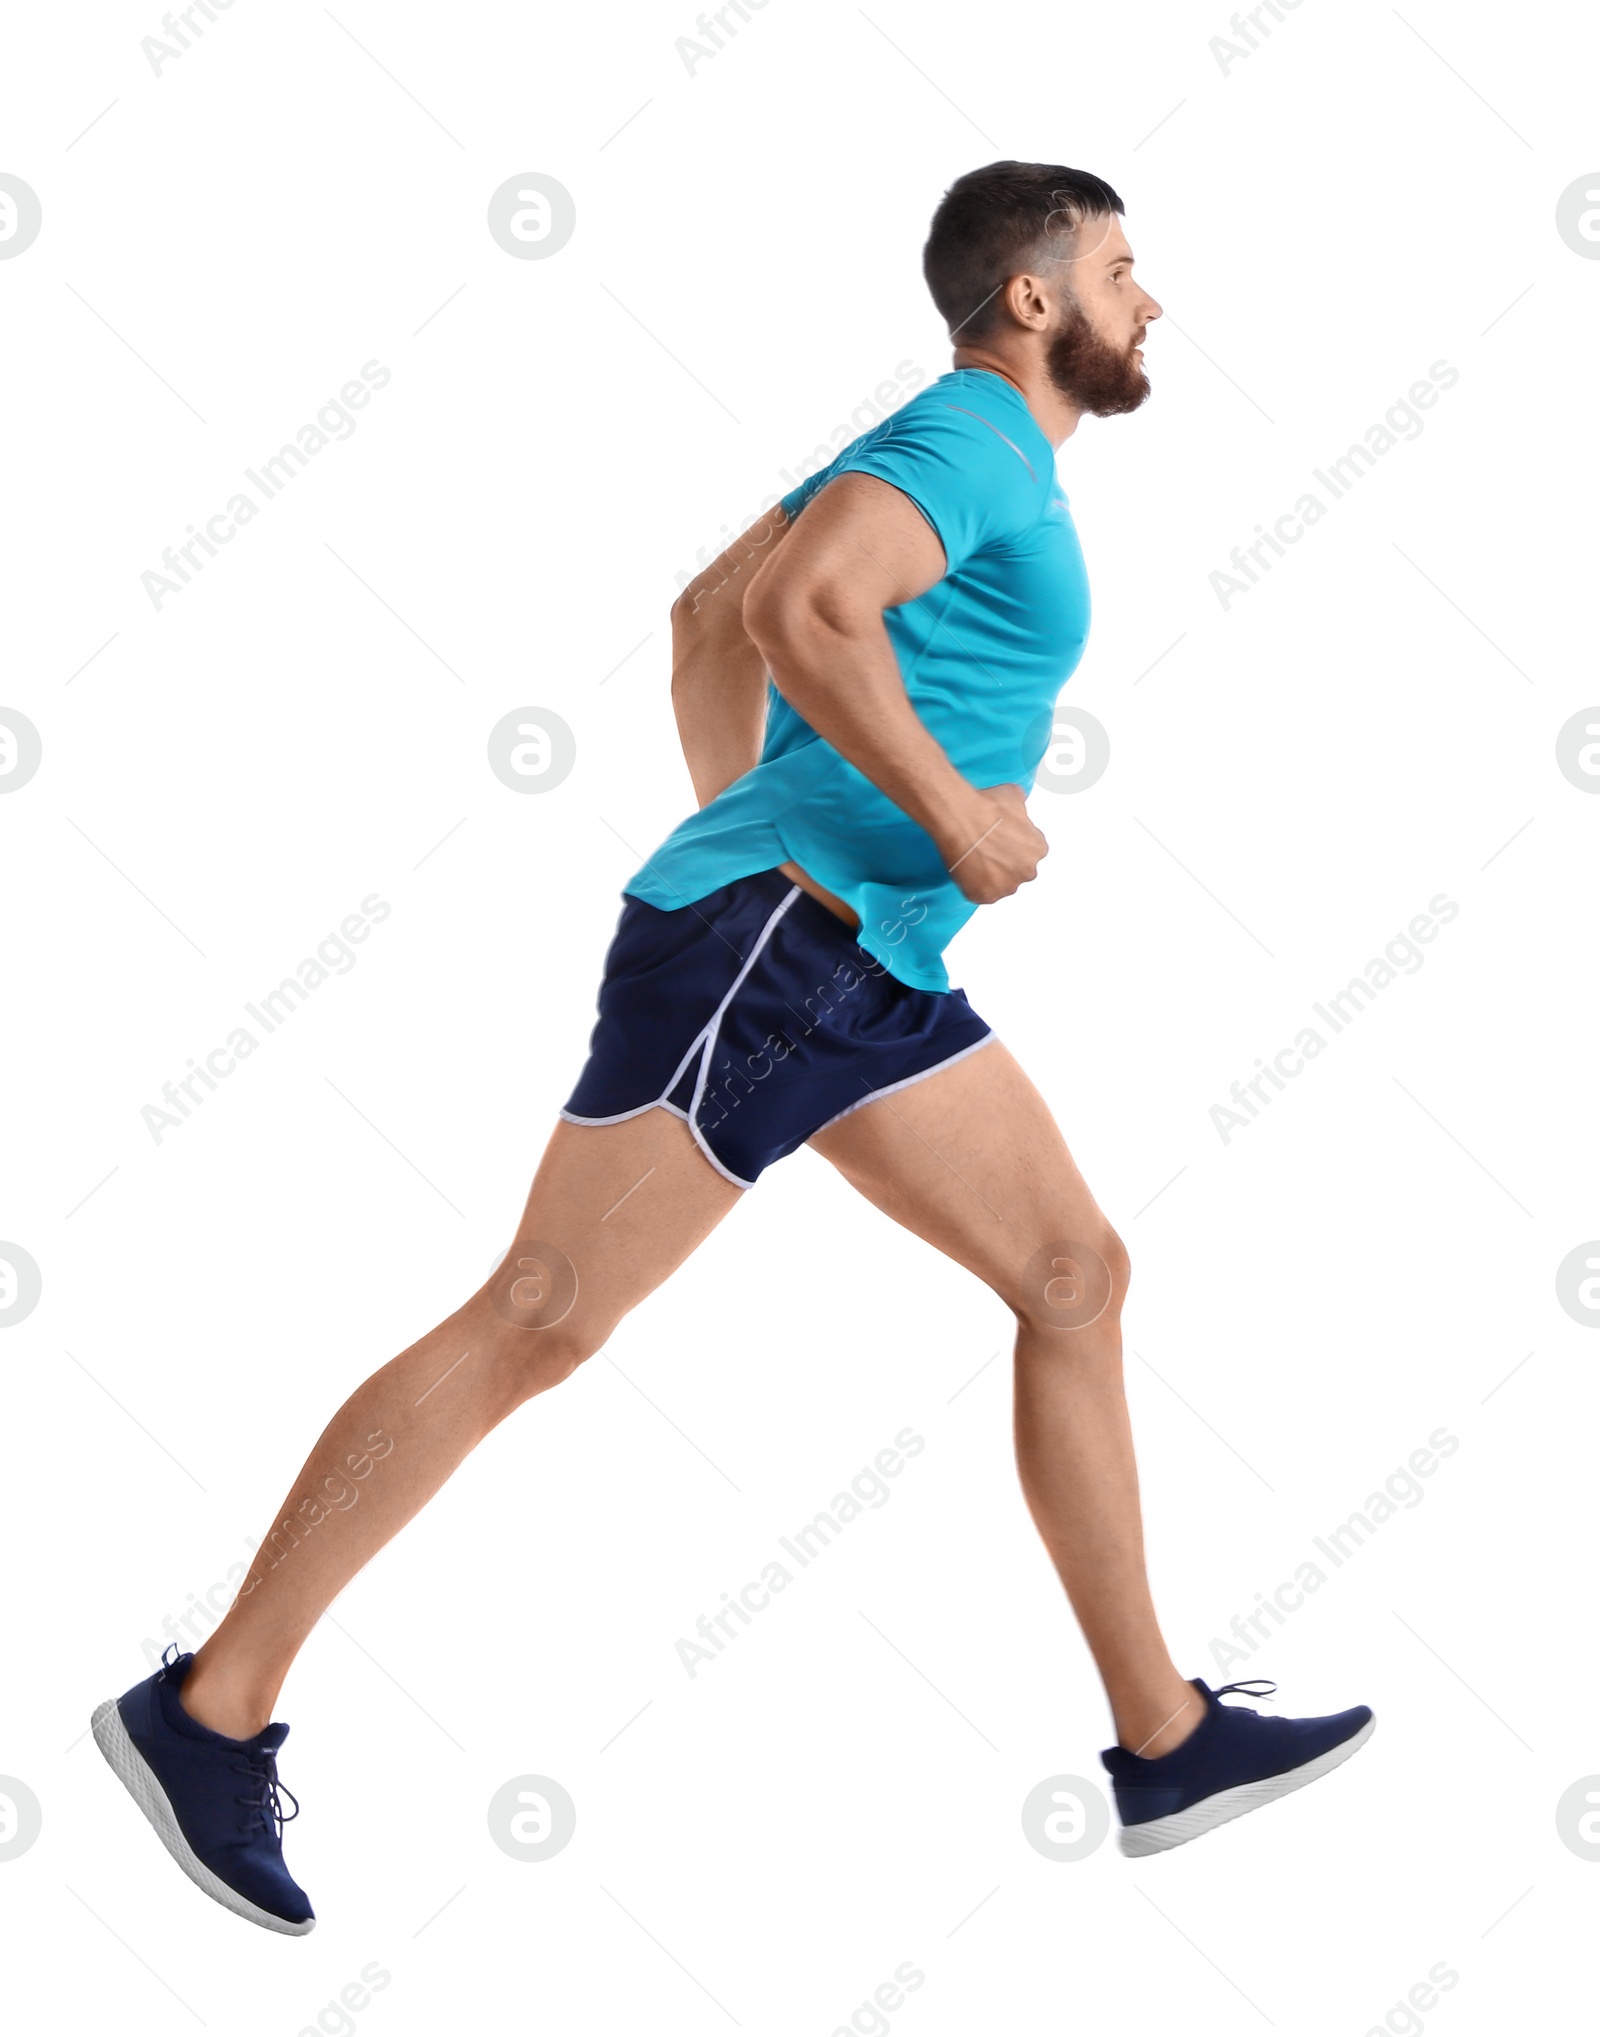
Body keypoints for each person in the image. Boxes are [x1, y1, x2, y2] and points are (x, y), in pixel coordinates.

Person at [91, 160, 1373, 1933]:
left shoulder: (955, 449)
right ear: (1032, 297)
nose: (1152, 302)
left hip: (852, 962)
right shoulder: (977, 442)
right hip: (779, 954)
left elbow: (706, 613)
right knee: (538, 1318)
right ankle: (209, 1705)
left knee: (1074, 1272)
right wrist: (922, 816)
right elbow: (790, 617)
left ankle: (1160, 1735)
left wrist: (785, 832)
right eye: (1124, 269)